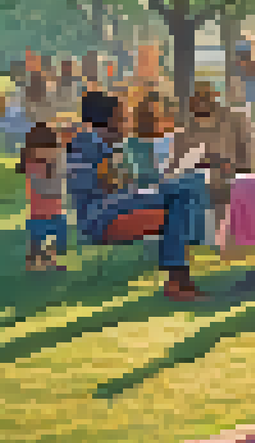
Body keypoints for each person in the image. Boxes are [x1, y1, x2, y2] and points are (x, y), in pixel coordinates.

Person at [66, 91, 212, 301]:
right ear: (107, 122)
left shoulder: (103, 146)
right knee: (182, 194)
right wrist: (120, 180)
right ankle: (179, 280)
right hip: (99, 216)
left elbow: (121, 183)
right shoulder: (86, 145)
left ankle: (179, 280)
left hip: (114, 205)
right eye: (121, 118)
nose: (126, 125)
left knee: (183, 195)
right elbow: (94, 186)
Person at [174, 82, 255, 259]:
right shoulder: (187, 127)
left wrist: (229, 167)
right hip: (200, 180)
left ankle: (221, 245)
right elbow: (182, 160)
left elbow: (247, 159)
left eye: (205, 97)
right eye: (197, 99)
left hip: (230, 178)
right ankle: (188, 249)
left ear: (215, 97)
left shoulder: (235, 120)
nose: (201, 103)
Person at [19, 123, 69, 271]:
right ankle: (37, 263)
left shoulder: (36, 161)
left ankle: (47, 262)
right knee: (42, 240)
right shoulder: (36, 162)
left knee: (48, 240)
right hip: (46, 211)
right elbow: (47, 185)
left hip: (44, 211)